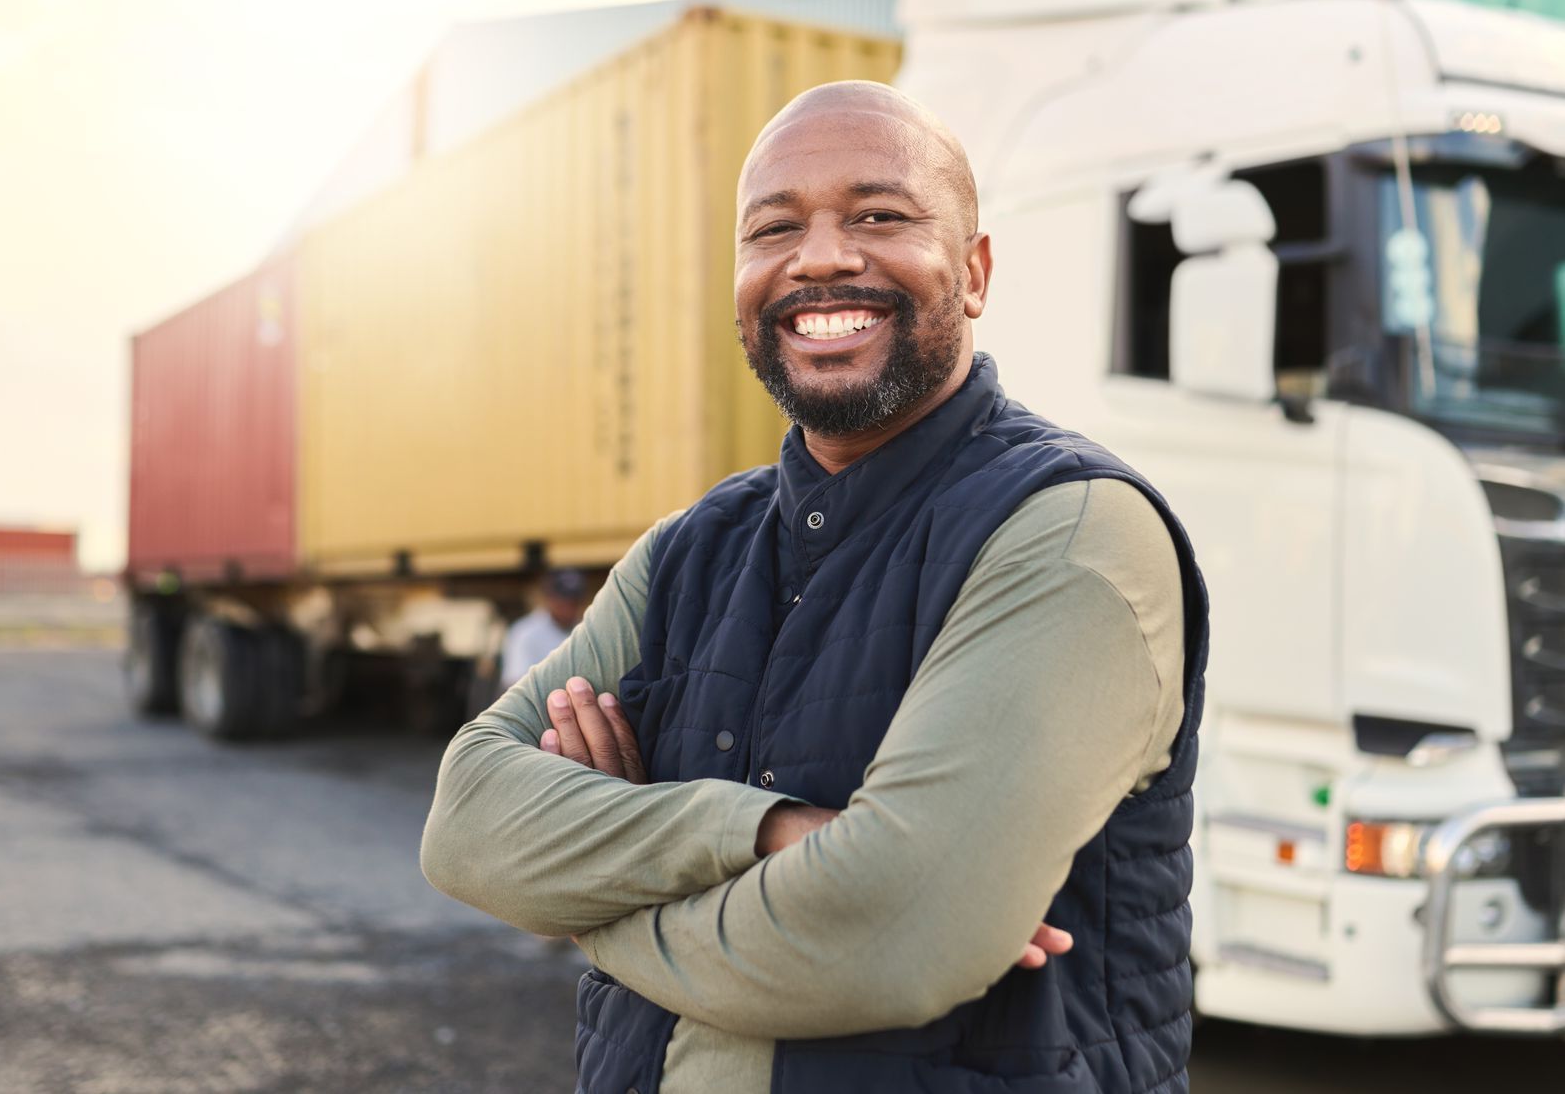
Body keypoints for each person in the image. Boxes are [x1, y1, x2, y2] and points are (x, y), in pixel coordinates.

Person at [421, 80, 1209, 1094]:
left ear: (972, 272)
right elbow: (467, 820)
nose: (821, 256)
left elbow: (896, 931)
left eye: (879, 216)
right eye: (772, 228)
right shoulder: (687, 553)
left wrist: (586, 898)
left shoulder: (1068, 530)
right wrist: (760, 833)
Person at [499, 569, 588, 688]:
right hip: (535, 702)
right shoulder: (524, 631)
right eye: (562, 602)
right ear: (549, 599)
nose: (568, 609)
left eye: (574, 603)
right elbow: (515, 683)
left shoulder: (585, 629)